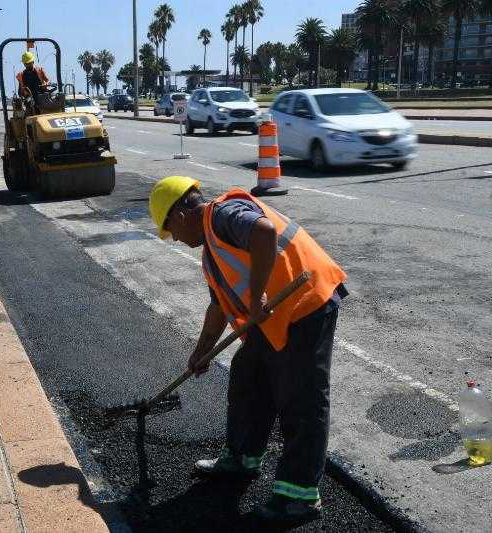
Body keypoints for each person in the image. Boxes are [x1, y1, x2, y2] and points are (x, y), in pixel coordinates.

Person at [148, 176, 348, 524]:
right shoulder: (211, 253)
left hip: (306, 302)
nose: (177, 240)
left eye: (172, 232)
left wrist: (257, 299)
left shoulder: (223, 214)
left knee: (300, 398)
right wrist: (201, 352)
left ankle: (298, 496)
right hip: (273, 316)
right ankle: (240, 459)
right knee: (248, 377)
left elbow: (264, 232)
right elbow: (219, 308)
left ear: (179, 215)